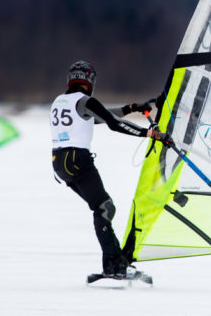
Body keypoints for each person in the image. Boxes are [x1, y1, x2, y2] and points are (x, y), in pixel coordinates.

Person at [50, 59, 170, 279]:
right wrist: (149, 134)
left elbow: (98, 118)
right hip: (78, 159)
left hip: (60, 164)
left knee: (102, 208)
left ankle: (117, 261)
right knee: (104, 208)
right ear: (90, 81)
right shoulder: (86, 101)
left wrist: (131, 108)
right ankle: (113, 266)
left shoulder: (61, 101)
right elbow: (112, 123)